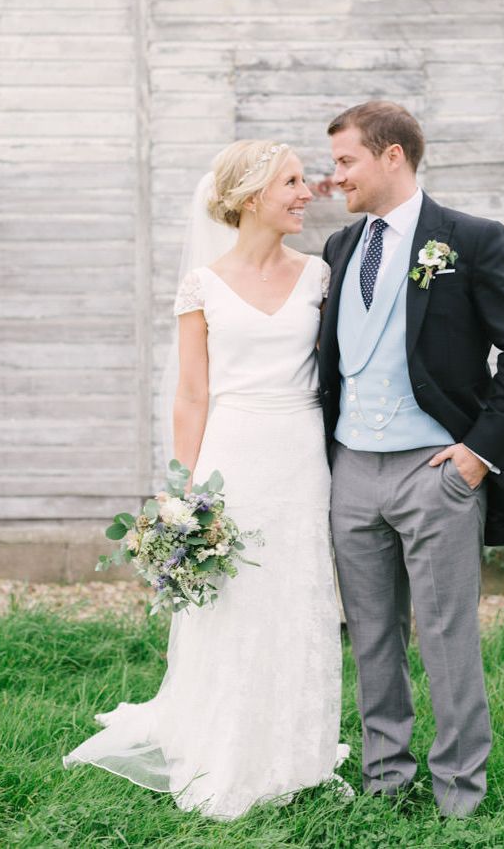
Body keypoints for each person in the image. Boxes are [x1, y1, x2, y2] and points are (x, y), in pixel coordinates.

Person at [64, 140, 348, 820]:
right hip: (234, 453)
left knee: (297, 592)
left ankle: (295, 749)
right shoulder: (203, 285)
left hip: (301, 451)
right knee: (233, 601)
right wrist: (183, 494)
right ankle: (223, 744)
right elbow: (191, 395)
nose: (306, 192)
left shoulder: (319, 275)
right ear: (252, 198)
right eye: (290, 182)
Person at [319, 101, 504, 817]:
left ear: (393, 156)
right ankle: (384, 783)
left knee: (448, 636)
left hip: (436, 470)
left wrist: (478, 456)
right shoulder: (338, 249)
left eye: (345, 160)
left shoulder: (470, 240)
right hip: (351, 471)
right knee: (371, 635)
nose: (335, 178)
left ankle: (459, 797)